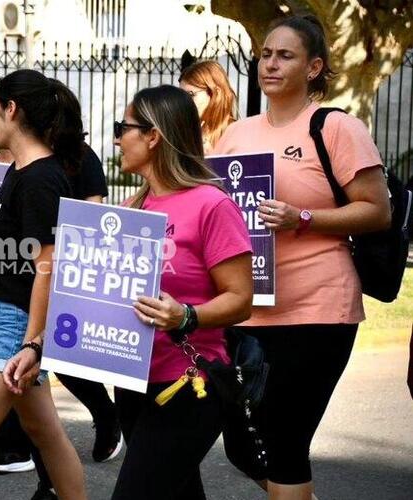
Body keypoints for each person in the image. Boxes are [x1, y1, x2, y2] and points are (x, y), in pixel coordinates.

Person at [213, 15, 391, 500]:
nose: (269, 63)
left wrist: (303, 219)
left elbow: (377, 211)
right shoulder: (236, 134)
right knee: (244, 448)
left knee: (286, 442)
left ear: (314, 67)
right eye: (265, 54)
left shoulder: (335, 127)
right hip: (247, 307)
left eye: (284, 55)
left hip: (316, 310)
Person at [106, 84, 253, 499]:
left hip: (189, 383)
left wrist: (186, 315)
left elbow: (241, 299)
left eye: (124, 127)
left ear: (153, 136)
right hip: (134, 378)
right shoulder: (134, 207)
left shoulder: (212, 205)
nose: (118, 138)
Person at [0, 69, 87, 500]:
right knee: (43, 432)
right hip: (5, 322)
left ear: (12, 109)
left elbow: (48, 267)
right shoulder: (22, 171)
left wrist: (32, 343)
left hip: (16, 329)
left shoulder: (41, 178)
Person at [0, 140, 120, 500]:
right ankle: (48, 481)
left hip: (56, 287)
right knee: (35, 422)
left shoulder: (72, 158)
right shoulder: (12, 161)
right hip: (17, 295)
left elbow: (93, 219)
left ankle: (106, 419)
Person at [178, 60, 237, 153]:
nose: (183, 102)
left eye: (191, 95)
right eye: (181, 95)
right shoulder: (181, 132)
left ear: (215, 94)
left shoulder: (235, 133)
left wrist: (211, 158)